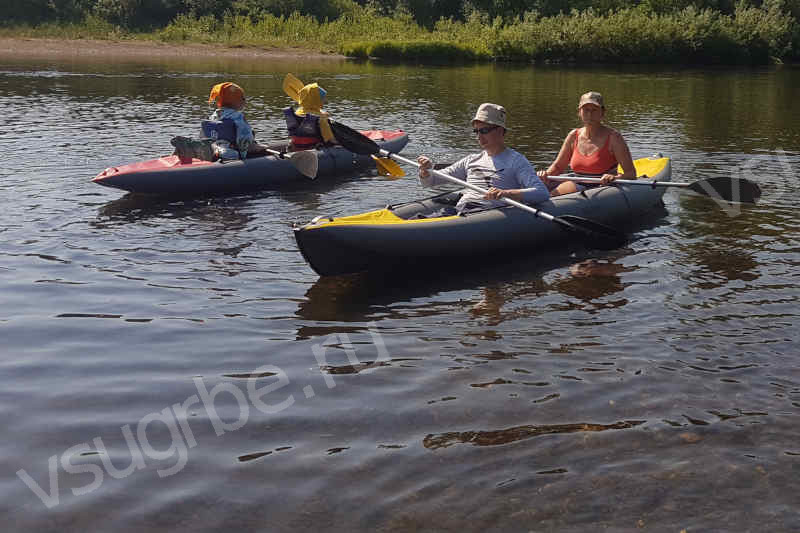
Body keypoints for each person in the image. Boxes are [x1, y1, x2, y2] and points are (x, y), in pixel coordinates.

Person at [417, 103, 549, 213]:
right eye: (476, 131)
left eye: (484, 131)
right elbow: (430, 181)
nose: (479, 136)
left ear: (500, 131)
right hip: (461, 210)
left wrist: (505, 193)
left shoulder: (516, 161)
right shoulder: (471, 159)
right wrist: (425, 171)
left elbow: (542, 193)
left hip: (485, 214)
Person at [537, 91, 636, 197]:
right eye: (586, 110)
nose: (589, 114)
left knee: (555, 194)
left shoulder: (614, 138)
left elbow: (631, 174)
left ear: (602, 113)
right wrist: (544, 175)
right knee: (542, 189)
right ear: (579, 112)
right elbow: (558, 167)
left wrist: (614, 178)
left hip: (603, 189)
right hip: (577, 182)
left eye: (594, 110)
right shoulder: (573, 135)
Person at [171, 81, 266, 162]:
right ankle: (218, 153)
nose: (245, 101)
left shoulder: (214, 115)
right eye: (243, 98)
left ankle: (197, 149)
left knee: (213, 146)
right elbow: (245, 138)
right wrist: (252, 148)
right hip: (227, 151)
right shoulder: (238, 117)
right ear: (236, 101)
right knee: (233, 152)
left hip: (212, 146)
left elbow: (203, 135)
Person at [284, 81, 336, 151]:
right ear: (316, 100)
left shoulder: (297, 112)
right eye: (322, 99)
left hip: (294, 146)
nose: (324, 101)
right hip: (312, 148)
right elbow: (329, 139)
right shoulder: (321, 118)